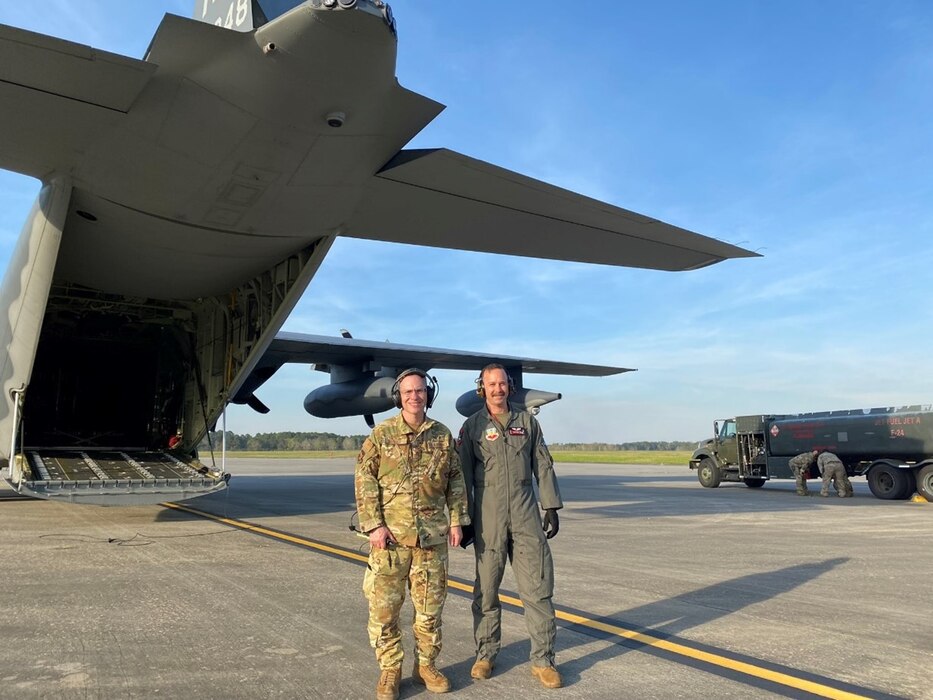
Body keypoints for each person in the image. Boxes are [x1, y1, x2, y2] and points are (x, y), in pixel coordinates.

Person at [355, 368, 470, 700]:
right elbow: (364, 478)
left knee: (430, 611)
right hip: (390, 541)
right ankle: (390, 670)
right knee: (384, 612)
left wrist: (457, 520)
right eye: (408, 392)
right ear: (399, 397)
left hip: (431, 541)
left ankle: (426, 666)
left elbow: (455, 479)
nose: (414, 396)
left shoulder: (442, 435)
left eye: (420, 391)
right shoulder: (382, 434)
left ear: (428, 395)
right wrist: (374, 525)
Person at [458, 363, 563, 689]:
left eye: (502, 383)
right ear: (482, 388)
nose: (498, 389)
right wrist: (464, 517)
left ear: (510, 387)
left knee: (538, 589)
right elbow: (462, 476)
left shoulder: (527, 423)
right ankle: (485, 654)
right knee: (486, 591)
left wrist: (550, 505)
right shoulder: (472, 427)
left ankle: (543, 660)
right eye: (491, 384)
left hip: (525, 515)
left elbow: (542, 465)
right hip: (488, 519)